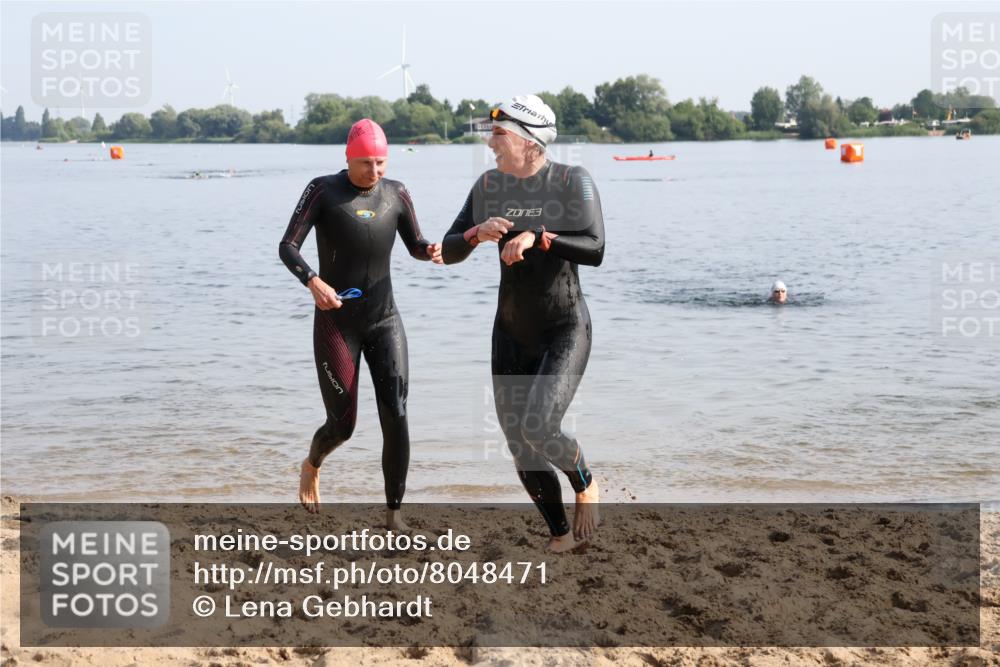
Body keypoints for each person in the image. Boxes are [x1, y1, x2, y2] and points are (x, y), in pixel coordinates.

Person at [441, 95, 605, 552]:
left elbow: (594, 247)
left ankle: (585, 482)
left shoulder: (572, 181)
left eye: (498, 134)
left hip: (564, 327)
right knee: (519, 443)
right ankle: (560, 535)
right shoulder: (489, 185)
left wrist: (540, 236)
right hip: (510, 332)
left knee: (539, 425)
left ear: (529, 141)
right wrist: (477, 234)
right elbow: (449, 249)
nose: (490, 143)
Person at [279, 119, 442, 528]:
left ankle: (394, 514)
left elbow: (415, 244)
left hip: (384, 319)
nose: (376, 171)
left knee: (397, 412)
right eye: (367, 162)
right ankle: (313, 463)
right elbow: (288, 246)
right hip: (337, 322)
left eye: (382, 162)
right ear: (348, 159)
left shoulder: (396, 193)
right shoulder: (323, 191)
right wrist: (312, 280)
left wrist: (432, 250)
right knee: (343, 425)